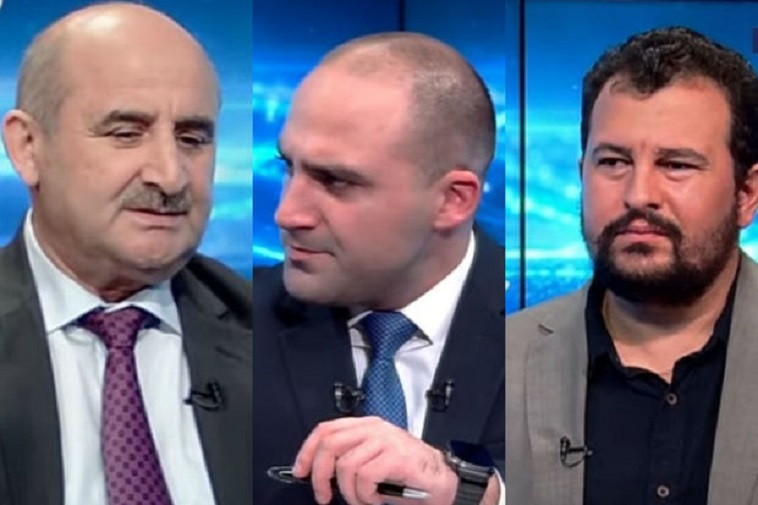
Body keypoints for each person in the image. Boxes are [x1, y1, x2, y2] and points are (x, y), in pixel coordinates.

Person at [0, 3, 252, 505]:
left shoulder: (268, 334)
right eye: (126, 133)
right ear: (28, 147)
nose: (170, 176)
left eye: (192, 139)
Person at [506, 26, 758, 505]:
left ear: (746, 194)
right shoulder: (504, 359)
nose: (638, 194)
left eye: (676, 165)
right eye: (613, 162)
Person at [253, 32, 504, 505]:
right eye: (288, 167)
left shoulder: (546, 334)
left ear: (452, 200)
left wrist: (480, 496)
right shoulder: (232, 323)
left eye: (335, 180)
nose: (287, 214)